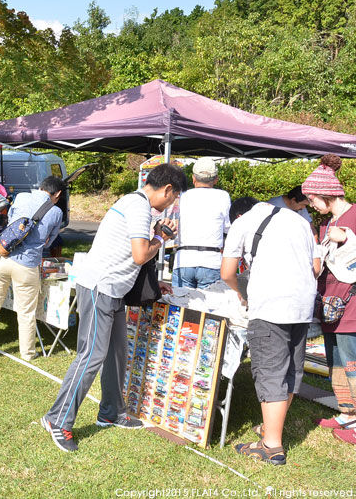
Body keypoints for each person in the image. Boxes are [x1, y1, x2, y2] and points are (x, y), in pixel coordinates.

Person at [40, 164, 184, 452]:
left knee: (117, 353)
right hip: (100, 288)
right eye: (174, 197)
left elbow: (130, 254)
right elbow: (140, 254)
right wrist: (161, 238)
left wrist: (154, 277)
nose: (172, 204)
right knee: (91, 355)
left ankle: (111, 412)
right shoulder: (139, 207)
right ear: (167, 189)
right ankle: (57, 419)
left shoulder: (137, 204)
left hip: (114, 290)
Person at [220, 196, 319, 465]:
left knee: (270, 370)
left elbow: (227, 272)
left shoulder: (244, 223)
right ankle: (270, 428)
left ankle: (271, 446)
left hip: (270, 306)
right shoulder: (299, 221)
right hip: (302, 305)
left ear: (238, 216)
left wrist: (244, 292)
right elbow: (316, 267)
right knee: (291, 369)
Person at [0, 176, 66, 361]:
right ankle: (28, 352)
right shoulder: (56, 212)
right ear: (57, 194)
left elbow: (11, 223)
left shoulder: (21, 197)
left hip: (3, 257)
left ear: (41, 187)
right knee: (26, 312)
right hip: (27, 264)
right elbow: (49, 241)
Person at [301, 154, 356, 445]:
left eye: (313, 199)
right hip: (330, 303)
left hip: (350, 303)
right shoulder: (327, 222)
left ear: (326, 194)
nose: (311, 204)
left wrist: (347, 239)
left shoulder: (353, 216)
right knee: (335, 360)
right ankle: (347, 413)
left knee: (352, 361)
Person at [172, 157, 231, 289]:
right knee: (209, 302)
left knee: (181, 301)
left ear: (193, 178)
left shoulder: (183, 196)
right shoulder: (223, 196)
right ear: (216, 179)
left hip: (184, 259)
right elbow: (228, 227)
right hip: (211, 260)